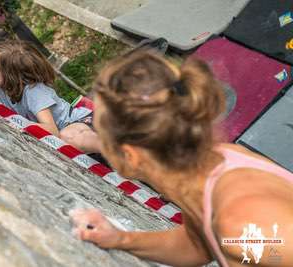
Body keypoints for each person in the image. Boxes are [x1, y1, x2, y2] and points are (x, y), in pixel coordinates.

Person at [70, 50, 293, 266]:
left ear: (129, 156)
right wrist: (121, 238)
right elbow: (197, 244)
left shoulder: (240, 220)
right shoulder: (210, 171)